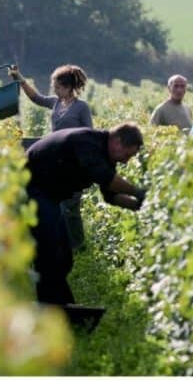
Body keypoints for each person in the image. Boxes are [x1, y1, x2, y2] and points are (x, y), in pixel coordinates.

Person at [25, 122, 147, 306]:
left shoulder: (105, 156)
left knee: (64, 257)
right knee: (49, 252)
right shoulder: (87, 143)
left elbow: (110, 196)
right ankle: (53, 308)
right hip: (30, 188)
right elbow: (106, 178)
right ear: (117, 142)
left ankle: (60, 306)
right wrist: (137, 191)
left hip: (49, 196)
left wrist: (139, 205)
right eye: (127, 155)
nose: (125, 161)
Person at [9, 64, 93, 251]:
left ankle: (78, 245)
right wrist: (19, 78)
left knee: (70, 207)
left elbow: (90, 134)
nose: (54, 90)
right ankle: (65, 244)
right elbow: (35, 98)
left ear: (68, 87)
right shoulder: (56, 103)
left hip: (74, 163)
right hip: (56, 162)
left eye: (57, 87)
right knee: (58, 204)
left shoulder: (81, 108)